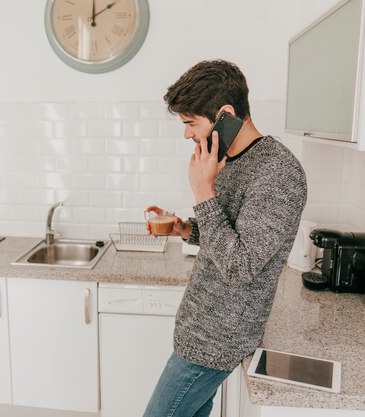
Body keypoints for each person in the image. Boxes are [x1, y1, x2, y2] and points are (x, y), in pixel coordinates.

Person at [143, 60, 307, 417]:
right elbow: (228, 236)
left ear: (225, 114)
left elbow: (241, 265)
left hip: (217, 339)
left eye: (190, 123)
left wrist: (203, 193)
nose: (186, 134)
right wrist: (186, 229)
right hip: (200, 328)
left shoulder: (277, 172)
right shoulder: (233, 159)